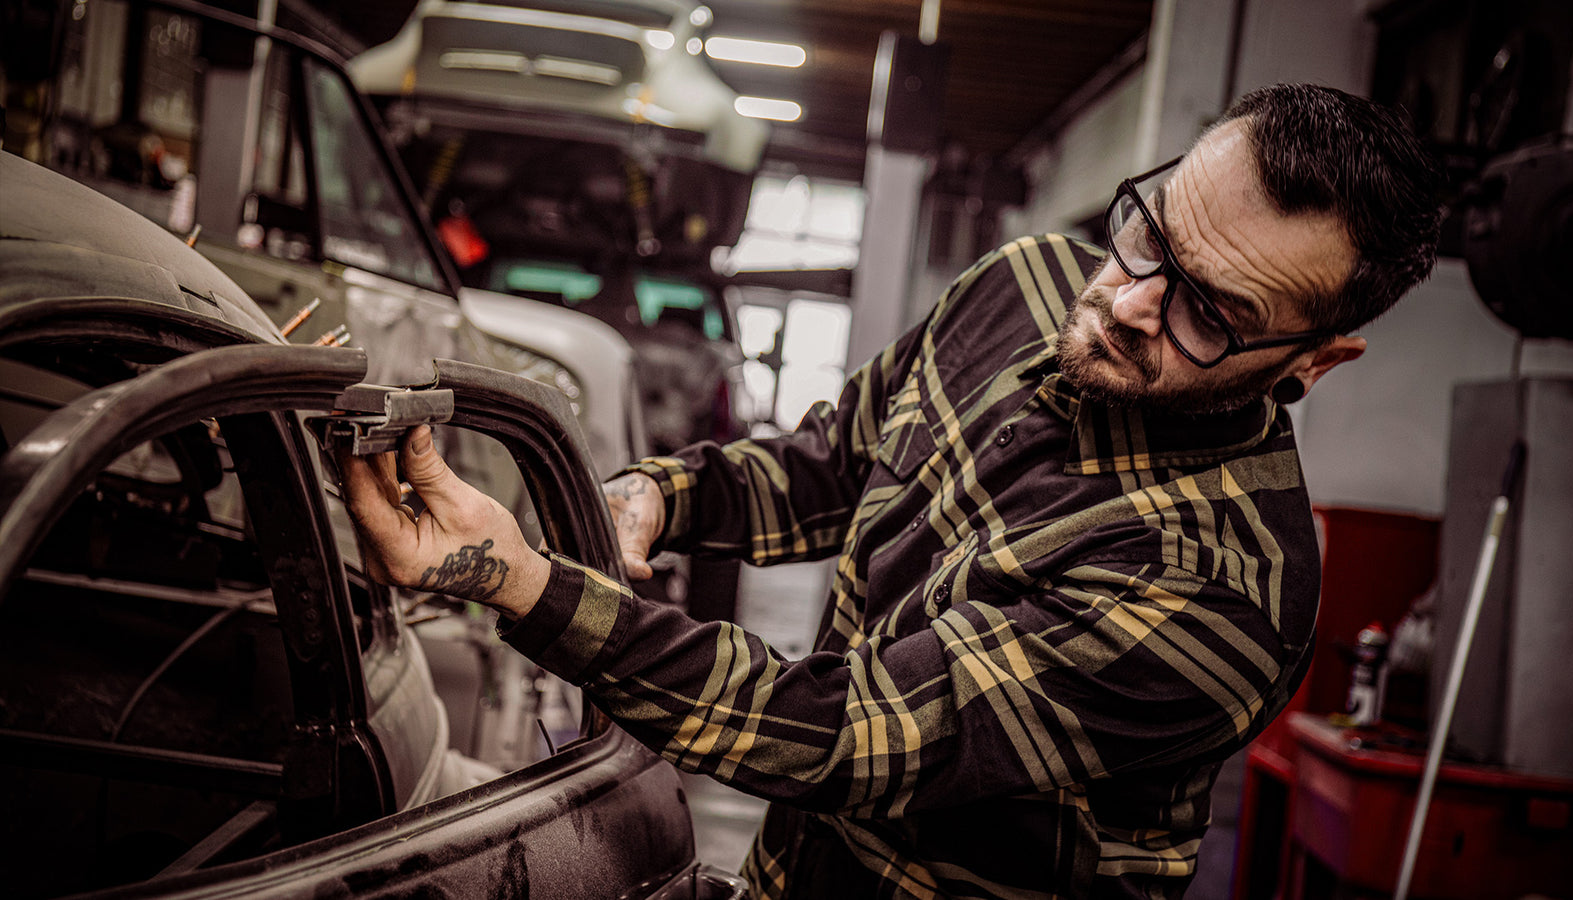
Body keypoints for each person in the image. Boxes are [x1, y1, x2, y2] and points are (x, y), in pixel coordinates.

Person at [338, 83, 1440, 898]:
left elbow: (851, 735)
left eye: (1211, 312)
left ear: (1313, 361)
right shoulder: (1024, 287)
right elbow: (831, 461)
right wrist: (658, 497)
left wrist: (525, 584)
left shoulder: (1219, 592)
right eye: (1149, 232)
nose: (1128, 301)